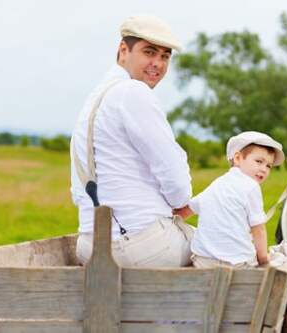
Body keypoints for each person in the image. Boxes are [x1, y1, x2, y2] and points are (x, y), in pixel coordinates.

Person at [70, 15, 193, 267]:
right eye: (149, 52)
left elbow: (76, 193)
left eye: (165, 56)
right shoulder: (133, 93)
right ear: (123, 50)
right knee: (226, 248)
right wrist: (180, 204)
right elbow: (176, 181)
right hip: (141, 245)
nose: (157, 64)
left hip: (89, 244)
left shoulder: (95, 98)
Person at [176, 131, 285, 268]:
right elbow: (259, 230)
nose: (264, 169)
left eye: (268, 166)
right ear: (238, 158)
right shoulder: (251, 187)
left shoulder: (217, 184)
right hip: (237, 263)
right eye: (259, 161)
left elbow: (187, 210)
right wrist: (263, 260)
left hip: (203, 262)